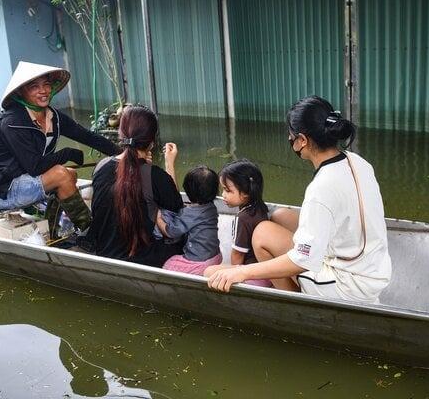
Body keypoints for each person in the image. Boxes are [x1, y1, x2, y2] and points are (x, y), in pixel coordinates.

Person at [206, 96, 393, 303]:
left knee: (260, 235)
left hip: (348, 285)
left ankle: (296, 301)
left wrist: (243, 272)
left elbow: (303, 259)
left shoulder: (321, 188)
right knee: (279, 215)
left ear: (302, 140)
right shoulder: (357, 161)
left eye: (291, 135)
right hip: (371, 268)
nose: (289, 138)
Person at [0, 61, 120, 237]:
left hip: (26, 179)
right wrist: (67, 153)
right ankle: (90, 232)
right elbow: (35, 167)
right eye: (34, 87)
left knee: (70, 174)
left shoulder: (53, 116)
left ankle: (52, 226)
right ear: (21, 92)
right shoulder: (12, 122)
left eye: (46, 84)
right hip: (2, 190)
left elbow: (87, 136)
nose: (43, 91)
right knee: (62, 174)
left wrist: (123, 153)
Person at [86, 105, 185, 266]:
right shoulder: (155, 176)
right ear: (151, 142)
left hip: (103, 252)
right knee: (185, 234)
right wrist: (169, 163)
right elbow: (175, 211)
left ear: (121, 134)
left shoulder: (101, 166)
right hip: (140, 259)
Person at [205, 159, 273, 288]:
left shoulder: (242, 218)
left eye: (228, 190)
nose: (223, 195)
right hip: (266, 270)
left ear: (246, 193)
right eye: (223, 190)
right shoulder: (260, 207)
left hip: (253, 275)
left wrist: (233, 274)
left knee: (208, 271)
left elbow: (238, 254)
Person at [159, 166, 222, 275]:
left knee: (167, 264)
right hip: (215, 256)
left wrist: (157, 217)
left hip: (199, 262)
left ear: (188, 190)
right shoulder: (211, 206)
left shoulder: (190, 213)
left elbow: (170, 232)